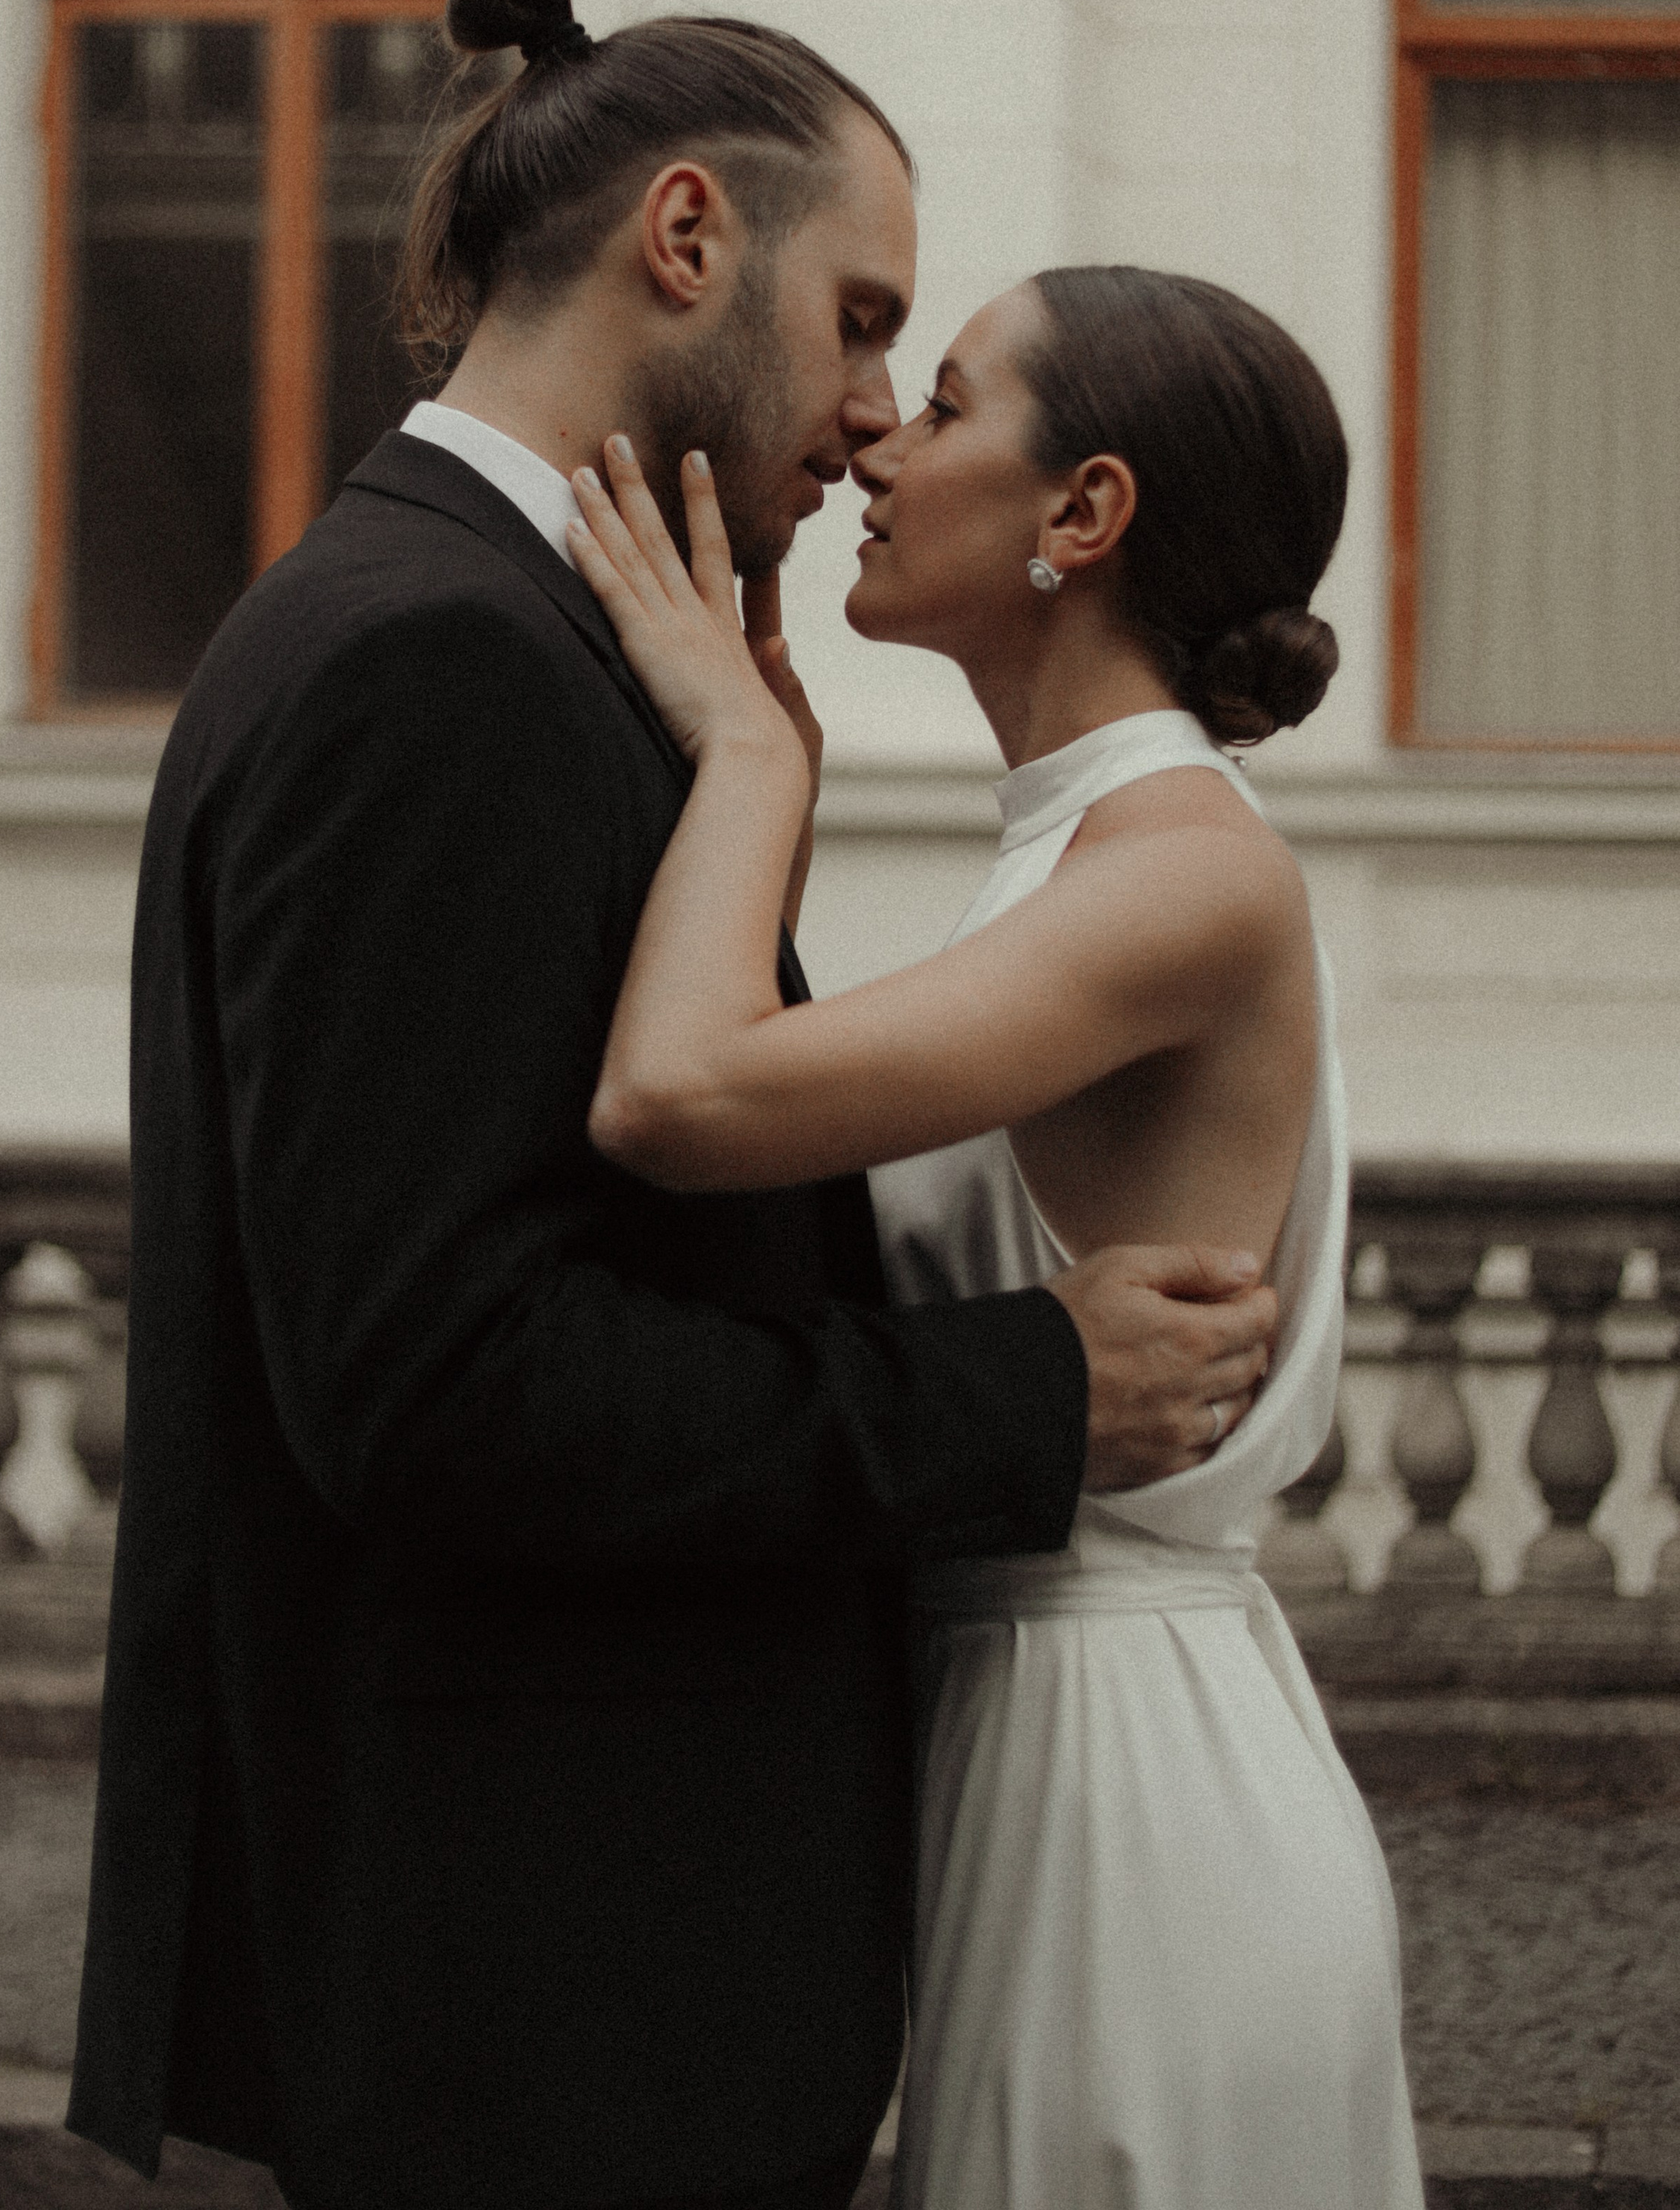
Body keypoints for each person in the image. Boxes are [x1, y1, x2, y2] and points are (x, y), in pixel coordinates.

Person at [67, 0, 1278, 2210]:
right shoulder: (439, 655)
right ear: (689, 236)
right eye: (862, 321)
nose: (874, 413)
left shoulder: (491, 628)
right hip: (544, 2007)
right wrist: (1029, 1388)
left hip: (556, 1984)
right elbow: (438, 1382)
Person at [563, 263, 1426, 2210]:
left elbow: (676, 1096)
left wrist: (750, 761)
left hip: (1138, 1792)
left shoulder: (1185, 869)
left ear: (1085, 511)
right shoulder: (1073, 848)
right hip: (1040, 1742)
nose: (879, 436)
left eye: (946, 402)